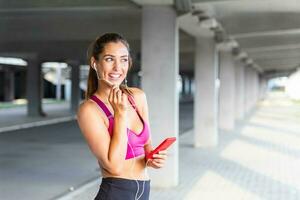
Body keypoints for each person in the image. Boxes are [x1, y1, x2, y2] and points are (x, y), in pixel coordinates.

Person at [77, 33, 168, 200]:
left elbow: (146, 148)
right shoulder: (90, 110)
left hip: (143, 192)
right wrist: (120, 115)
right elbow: (114, 167)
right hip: (115, 193)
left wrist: (152, 159)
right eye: (110, 59)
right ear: (95, 63)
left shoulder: (138, 97)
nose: (118, 68)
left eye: (124, 60)